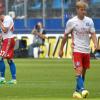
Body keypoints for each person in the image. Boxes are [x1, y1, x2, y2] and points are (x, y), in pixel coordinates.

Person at [59, 1, 97, 99]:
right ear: (77, 10)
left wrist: (96, 44)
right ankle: (83, 89)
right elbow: (65, 36)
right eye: (81, 10)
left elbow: (92, 34)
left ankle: (76, 92)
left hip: (86, 50)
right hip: (76, 50)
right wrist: (61, 49)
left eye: (84, 10)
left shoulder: (89, 21)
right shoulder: (71, 22)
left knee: (83, 73)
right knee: (78, 70)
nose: (83, 12)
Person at [0, 1, 16, 84]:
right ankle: (14, 80)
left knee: (0, 58)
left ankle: (2, 78)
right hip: (8, 40)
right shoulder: (5, 20)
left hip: (9, 40)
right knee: (10, 60)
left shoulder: (7, 18)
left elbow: (5, 30)